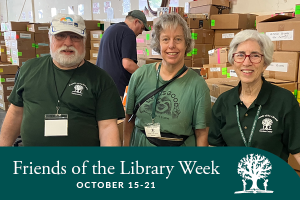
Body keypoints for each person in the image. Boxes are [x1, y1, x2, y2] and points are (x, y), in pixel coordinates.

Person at [0, 14, 125, 146]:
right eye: (60, 36)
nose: (68, 43)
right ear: (50, 38)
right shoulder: (29, 69)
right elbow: (15, 113)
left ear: (84, 40)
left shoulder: (101, 79)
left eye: (75, 37)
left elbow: (107, 128)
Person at [208, 30, 300, 164]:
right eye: (240, 55)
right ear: (233, 61)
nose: (246, 62)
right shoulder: (223, 101)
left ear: (265, 63)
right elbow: (214, 149)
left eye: (255, 56)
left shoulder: (285, 100)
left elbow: (298, 150)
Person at [123, 13, 211, 146]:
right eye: (165, 39)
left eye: (178, 39)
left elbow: (202, 134)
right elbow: (129, 120)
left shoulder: (198, 86)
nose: (171, 45)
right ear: (158, 43)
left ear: (186, 44)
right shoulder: (139, 76)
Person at [96, 10, 149, 97]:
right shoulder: (128, 33)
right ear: (136, 22)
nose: (141, 32)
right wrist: (145, 77)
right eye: (142, 28)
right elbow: (128, 64)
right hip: (117, 90)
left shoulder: (110, 29)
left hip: (102, 86)